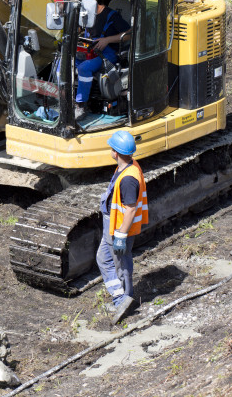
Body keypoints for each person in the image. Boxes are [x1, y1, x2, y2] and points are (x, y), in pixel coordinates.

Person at [96, 131, 148, 324]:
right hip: (112, 224)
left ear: (116, 152)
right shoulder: (127, 166)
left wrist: (120, 235)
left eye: (112, 148)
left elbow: (131, 209)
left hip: (118, 227)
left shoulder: (128, 178)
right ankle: (120, 298)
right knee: (103, 258)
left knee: (122, 265)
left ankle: (125, 299)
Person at [75, 0, 131, 118]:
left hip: (106, 53)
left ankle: (81, 105)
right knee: (63, 62)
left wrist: (107, 40)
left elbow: (129, 34)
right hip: (88, 49)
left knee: (84, 68)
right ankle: (63, 97)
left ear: (94, 3)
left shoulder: (112, 16)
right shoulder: (85, 15)